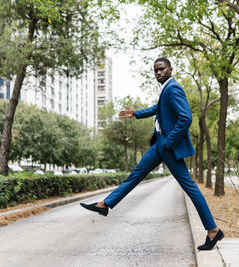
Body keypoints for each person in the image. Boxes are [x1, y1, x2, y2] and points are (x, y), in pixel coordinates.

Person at [81, 57, 224, 250]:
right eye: (155, 70)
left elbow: (186, 118)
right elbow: (158, 109)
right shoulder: (166, 89)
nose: (158, 73)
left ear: (170, 69)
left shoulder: (173, 88)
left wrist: (169, 143)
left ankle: (213, 230)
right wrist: (136, 113)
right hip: (159, 144)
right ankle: (104, 204)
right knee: (135, 175)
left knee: (190, 188)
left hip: (166, 146)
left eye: (162, 69)